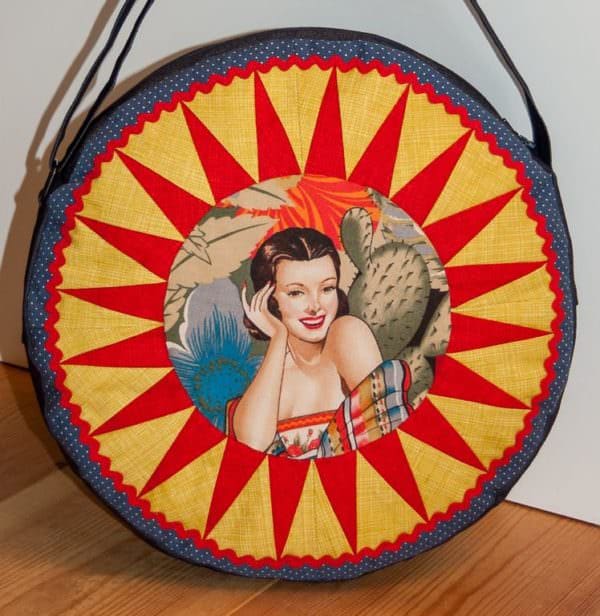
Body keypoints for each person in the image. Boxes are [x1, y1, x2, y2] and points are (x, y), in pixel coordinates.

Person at [226, 227, 413, 458]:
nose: (315, 306)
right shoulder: (270, 376)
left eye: (327, 288)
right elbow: (251, 446)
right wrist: (278, 338)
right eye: (296, 293)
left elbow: (388, 441)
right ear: (268, 301)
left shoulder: (347, 334)